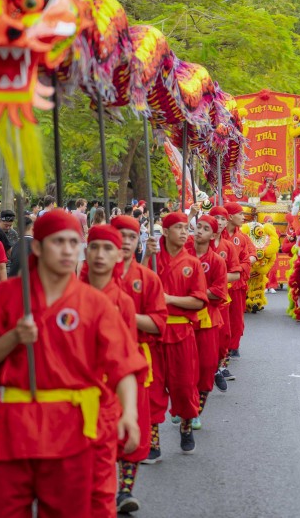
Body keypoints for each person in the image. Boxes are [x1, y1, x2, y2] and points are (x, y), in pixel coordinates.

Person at [0, 210, 143, 518]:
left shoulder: (95, 303)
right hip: (15, 426)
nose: (66, 250)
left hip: (72, 430)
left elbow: (123, 365)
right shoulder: (8, 295)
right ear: (37, 247)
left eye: (73, 242)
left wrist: (129, 413)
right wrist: (14, 338)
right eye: (58, 241)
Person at [80, 224, 148, 518]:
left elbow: (126, 352)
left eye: (109, 248)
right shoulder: (69, 293)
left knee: (117, 448)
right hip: (76, 391)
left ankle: (124, 491)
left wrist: (128, 409)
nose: (101, 254)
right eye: (95, 247)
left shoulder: (124, 300)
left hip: (115, 384)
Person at [110, 215, 166, 513]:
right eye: (121, 235)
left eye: (132, 236)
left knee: (133, 427)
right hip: (99, 364)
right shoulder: (94, 275)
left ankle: (125, 490)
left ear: (138, 241)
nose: (127, 241)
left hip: (135, 361)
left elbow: (158, 322)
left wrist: (125, 315)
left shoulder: (148, 278)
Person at [143, 211, 208, 459]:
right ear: (166, 231)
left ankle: (186, 424)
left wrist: (170, 299)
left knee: (183, 386)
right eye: (178, 228)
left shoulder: (191, 263)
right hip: (153, 333)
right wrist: (146, 256)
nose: (184, 232)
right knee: (153, 389)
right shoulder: (152, 259)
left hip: (182, 332)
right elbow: (135, 285)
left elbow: (199, 301)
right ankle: (154, 441)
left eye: (185, 228)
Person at [190, 215, 228, 428]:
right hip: (183, 321)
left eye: (205, 228)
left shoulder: (216, 261)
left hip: (207, 321)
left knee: (206, 368)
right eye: (198, 227)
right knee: (184, 369)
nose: (199, 231)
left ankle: (196, 411)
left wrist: (194, 295)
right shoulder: (182, 256)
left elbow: (219, 292)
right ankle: (183, 405)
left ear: (213, 235)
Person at [207, 206, 241, 388]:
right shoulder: (197, 244)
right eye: (215, 218)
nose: (219, 222)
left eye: (222, 219)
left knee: (223, 336)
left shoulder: (228, 246)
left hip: (221, 300)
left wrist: (216, 277)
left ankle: (220, 368)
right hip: (200, 300)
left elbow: (236, 274)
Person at [222, 202, 253, 358]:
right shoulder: (217, 236)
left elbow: (248, 259)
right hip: (219, 284)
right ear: (230, 216)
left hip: (236, 283)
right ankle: (222, 346)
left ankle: (234, 346)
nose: (243, 217)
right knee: (221, 317)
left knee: (236, 317)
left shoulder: (242, 238)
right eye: (240, 214)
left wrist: (238, 269)